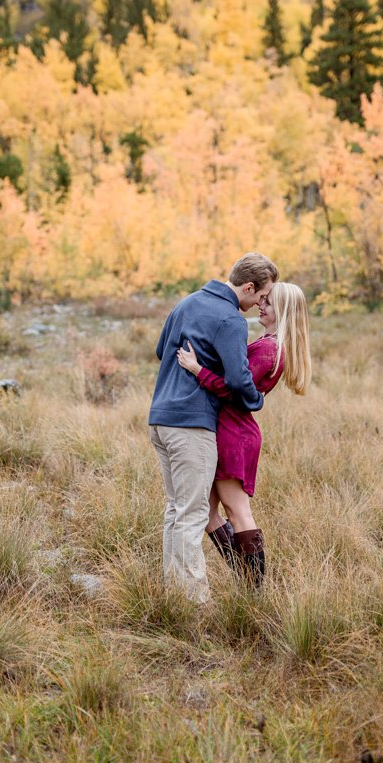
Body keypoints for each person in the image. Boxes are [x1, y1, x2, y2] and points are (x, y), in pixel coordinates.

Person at [148, 252, 277, 603]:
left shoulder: (187, 302)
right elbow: (239, 379)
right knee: (192, 514)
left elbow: (162, 350)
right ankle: (194, 601)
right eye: (261, 296)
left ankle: (173, 592)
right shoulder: (231, 320)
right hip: (193, 424)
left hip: (160, 418)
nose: (259, 304)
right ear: (248, 287)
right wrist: (256, 399)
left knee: (176, 509)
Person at [175, 281, 312, 589]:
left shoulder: (269, 348)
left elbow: (236, 389)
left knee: (237, 513)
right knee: (207, 512)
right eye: (262, 299)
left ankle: (253, 590)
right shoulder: (269, 343)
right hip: (229, 428)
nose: (261, 305)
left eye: (268, 302)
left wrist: (198, 370)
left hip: (233, 433)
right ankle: (244, 577)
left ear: (284, 311)